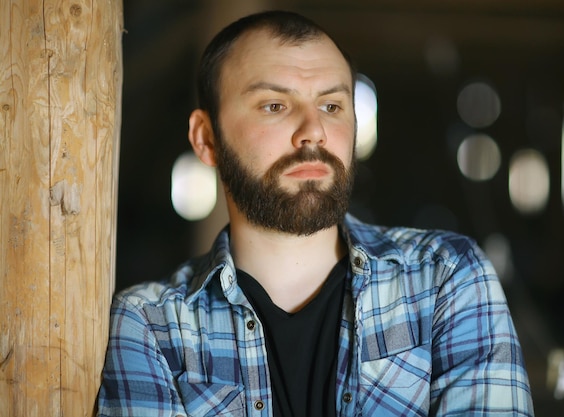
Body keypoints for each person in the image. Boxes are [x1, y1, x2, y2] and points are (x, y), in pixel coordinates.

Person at [98, 10, 534, 417]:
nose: (314, 131)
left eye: (331, 106)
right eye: (275, 105)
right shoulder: (152, 326)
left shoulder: (443, 277)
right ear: (206, 138)